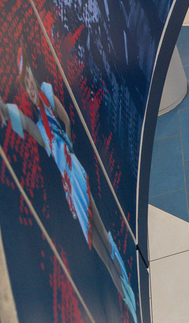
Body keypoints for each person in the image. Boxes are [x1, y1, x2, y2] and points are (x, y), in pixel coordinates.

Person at [0, 52, 138, 321]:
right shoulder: (41, 127)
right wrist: (5, 110)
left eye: (30, 80)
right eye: (25, 84)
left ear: (36, 78)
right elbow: (28, 125)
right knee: (97, 243)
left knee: (101, 234)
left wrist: (69, 150)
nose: (29, 88)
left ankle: (128, 292)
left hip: (74, 174)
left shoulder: (48, 100)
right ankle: (127, 299)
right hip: (69, 185)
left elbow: (66, 120)